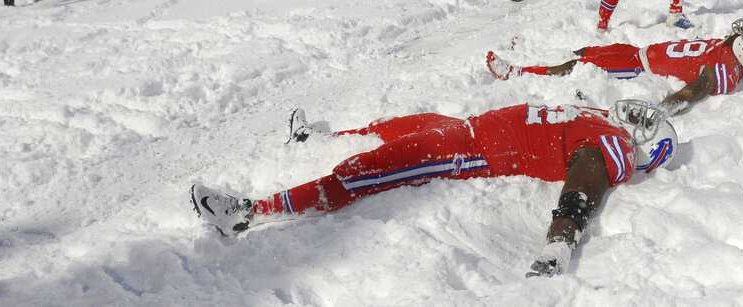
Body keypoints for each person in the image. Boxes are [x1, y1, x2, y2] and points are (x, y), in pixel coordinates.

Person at [191, 98, 679, 277]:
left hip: (472, 150)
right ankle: (317, 137)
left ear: (641, 146)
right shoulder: (599, 116)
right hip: (470, 127)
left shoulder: (612, 146)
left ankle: (248, 212)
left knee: (366, 169)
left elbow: (586, 178)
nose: (639, 112)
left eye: (645, 123)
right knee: (404, 123)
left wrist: (561, 237)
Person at [486, 17, 743, 117]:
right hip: (638, 52)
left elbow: (692, 91)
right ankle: (534, 61)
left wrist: (660, 110)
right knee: (586, 51)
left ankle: (516, 74)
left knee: (574, 66)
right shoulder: (735, 56)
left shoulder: (721, 72)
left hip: (636, 67)